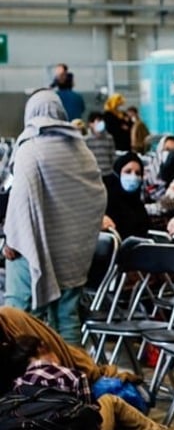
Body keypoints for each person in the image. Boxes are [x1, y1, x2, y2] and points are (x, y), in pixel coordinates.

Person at [3, 90, 106, 346]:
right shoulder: (81, 150)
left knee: (23, 320)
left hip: (32, 250)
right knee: (67, 319)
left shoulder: (30, 148)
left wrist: (12, 239)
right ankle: (71, 369)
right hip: (72, 256)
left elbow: (21, 200)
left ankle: (25, 371)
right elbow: (97, 196)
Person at [7, 331, 174, 430]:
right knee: (110, 402)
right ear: (42, 348)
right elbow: (90, 417)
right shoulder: (72, 376)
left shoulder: (18, 384)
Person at [103, 152, 151, 240]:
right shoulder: (104, 202)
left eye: (138, 173)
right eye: (128, 171)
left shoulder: (139, 207)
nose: (133, 177)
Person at [84, 111, 116, 175]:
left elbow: (112, 155)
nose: (101, 123)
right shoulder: (86, 139)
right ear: (91, 124)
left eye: (102, 120)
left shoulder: (109, 138)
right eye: (98, 121)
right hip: (93, 173)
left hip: (108, 172)